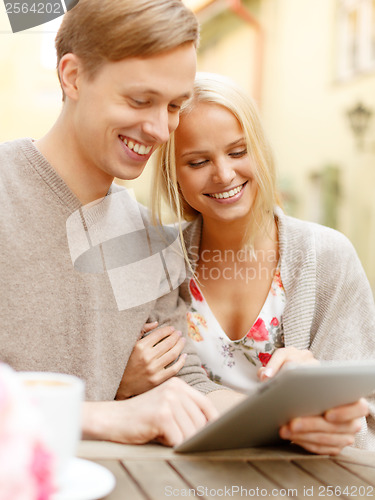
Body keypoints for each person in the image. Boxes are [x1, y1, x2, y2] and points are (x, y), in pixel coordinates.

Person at [0, 2, 244, 448]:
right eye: (139, 100)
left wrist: (288, 416)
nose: (159, 129)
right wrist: (100, 415)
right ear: (72, 77)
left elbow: (185, 383)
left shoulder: (146, 239)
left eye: (174, 106)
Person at [119, 73, 375, 455]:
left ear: (260, 150)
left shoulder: (327, 256)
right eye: (198, 161)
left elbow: (363, 416)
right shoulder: (156, 262)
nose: (223, 174)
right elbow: (139, 395)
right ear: (174, 174)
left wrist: (329, 408)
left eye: (238, 152)